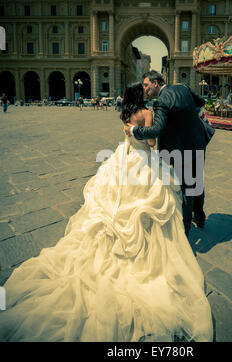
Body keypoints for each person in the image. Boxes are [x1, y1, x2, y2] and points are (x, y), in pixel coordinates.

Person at [0, 82, 213, 342]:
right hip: (145, 162)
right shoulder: (147, 113)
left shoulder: (125, 114)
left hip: (124, 159)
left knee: (114, 205)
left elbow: (133, 136)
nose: (147, 92)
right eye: (144, 90)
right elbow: (151, 139)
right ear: (141, 96)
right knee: (155, 204)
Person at [124, 71, 208, 237]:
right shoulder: (183, 87)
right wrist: (189, 118)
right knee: (197, 180)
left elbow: (156, 129)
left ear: (156, 83)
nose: (145, 89)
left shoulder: (161, 101)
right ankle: (200, 217)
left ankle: (185, 229)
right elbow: (201, 101)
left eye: (146, 85)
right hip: (198, 140)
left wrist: (134, 130)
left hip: (181, 147)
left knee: (186, 187)